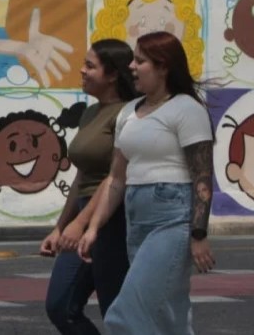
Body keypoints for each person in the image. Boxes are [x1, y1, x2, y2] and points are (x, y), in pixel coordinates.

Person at [79, 31, 216, 335]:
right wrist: (93, 227)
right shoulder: (129, 111)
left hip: (172, 218)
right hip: (135, 218)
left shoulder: (186, 109)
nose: (131, 67)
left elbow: (203, 176)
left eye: (140, 61)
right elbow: (116, 178)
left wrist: (198, 233)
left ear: (163, 66)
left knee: (126, 313)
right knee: (169, 315)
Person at [41, 39, 136, 334]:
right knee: (59, 305)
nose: (81, 70)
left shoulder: (128, 114)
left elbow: (114, 177)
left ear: (112, 75)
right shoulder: (90, 113)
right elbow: (81, 178)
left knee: (115, 309)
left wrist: (82, 224)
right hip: (81, 218)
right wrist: (60, 227)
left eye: (90, 66)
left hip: (111, 218)